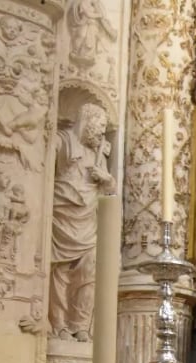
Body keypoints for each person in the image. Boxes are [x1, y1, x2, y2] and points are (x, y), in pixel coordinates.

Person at [48, 101, 115, 340]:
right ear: (87, 121)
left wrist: (106, 179)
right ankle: (58, 324)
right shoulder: (61, 140)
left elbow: (109, 191)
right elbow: (43, 169)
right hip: (62, 215)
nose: (101, 131)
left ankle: (80, 325)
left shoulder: (97, 153)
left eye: (105, 127)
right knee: (59, 270)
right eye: (100, 125)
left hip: (88, 218)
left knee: (89, 269)